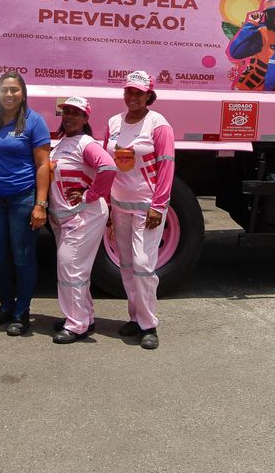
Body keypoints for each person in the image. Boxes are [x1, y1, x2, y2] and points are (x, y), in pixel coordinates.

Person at [0, 72, 51, 336]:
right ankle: (6, 305)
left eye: (14, 90)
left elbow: (43, 165)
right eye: (4, 90)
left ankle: (22, 312)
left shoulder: (34, 121)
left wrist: (40, 204)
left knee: (23, 257)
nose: (9, 95)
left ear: (22, 93)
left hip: (23, 197)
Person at [105, 70, 174, 351]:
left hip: (148, 207)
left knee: (144, 266)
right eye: (128, 91)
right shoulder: (112, 122)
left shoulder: (158, 124)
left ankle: (149, 325)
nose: (132, 97)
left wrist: (159, 206)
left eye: (138, 92)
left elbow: (167, 166)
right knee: (126, 264)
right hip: (120, 205)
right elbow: (106, 164)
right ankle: (135, 317)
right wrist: (108, 206)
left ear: (149, 96)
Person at [49, 96, 117, 344]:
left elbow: (108, 167)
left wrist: (90, 195)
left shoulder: (86, 143)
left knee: (70, 268)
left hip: (84, 216)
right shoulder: (62, 143)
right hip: (65, 218)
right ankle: (84, 317)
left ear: (86, 118)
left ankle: (76, 325)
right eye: (66, 112)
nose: (69, 117)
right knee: (75, 269)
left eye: (76, 113)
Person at [227, 0, 275, 90]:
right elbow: (236, 53)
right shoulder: (261, 33)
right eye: (271, 13)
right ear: (266, 16)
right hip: (250, 90)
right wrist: (250, 25)